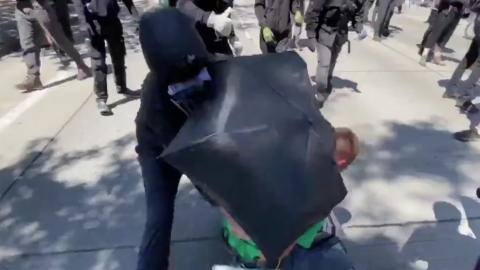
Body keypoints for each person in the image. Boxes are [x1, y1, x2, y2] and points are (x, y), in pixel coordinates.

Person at [220, 127, 359, 268]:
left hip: (235, 235)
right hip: (262, 253)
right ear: (341, 163)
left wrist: (236, 229)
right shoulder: (320, 194)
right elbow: (284, 250)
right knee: (339, 259)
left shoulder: (278, 159)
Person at [72, 0, 141, 116]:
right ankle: (101, 98)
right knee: (98, 63)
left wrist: (136, 17)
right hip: (93, 25)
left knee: (118, 55)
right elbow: (78, 2)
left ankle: (122, 87)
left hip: (112, 21)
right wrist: (83, 22)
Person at [15, 0, 91, 91]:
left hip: (39, 7)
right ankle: (33, 77)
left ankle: (81, 65)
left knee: (59, 40)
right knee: (27, 43)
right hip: (21, 9)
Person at [304, 0, 366, 103]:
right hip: (324, 31)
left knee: (332, 60)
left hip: (340, 34)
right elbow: (313, 12)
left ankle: (328, 79)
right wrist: (311, 35)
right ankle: (321, 90)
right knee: (324, 63)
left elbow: (359, 13)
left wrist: (359, 27)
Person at [176, 0, 242, 56]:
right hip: (192, 39)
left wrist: (232, 36)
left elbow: (225, 11)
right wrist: (210, 19)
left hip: (218, 40)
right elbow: (182, 4)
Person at [418, 0, 467, 66]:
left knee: (446, 36)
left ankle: (437, 57)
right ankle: (424, 55)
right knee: (436, 33)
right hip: (447, 10)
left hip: (458, 12)